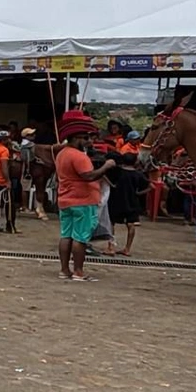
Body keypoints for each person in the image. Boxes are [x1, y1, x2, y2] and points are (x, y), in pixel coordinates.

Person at [55, 110, 116, 281]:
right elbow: (88, 176)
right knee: (80, 238)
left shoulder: (62, 153)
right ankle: (79, 272)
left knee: (66, 235)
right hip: (82, 201)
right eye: (85, 137)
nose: (89, 141)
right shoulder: (78, 156)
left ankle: (64, 270)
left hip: (65, 200)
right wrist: (106, 166)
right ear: (75, 138)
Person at [107, 153, 149, 256]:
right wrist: (139, 193)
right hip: (132, 201)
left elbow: (104, 175)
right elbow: (151, 186)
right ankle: (127, 248)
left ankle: (111, 247)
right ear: (135, 162)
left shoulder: (117, 171)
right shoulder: (138, 174)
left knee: (112, 223)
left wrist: (111, 184)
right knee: (131, 224)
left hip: (116, 200)